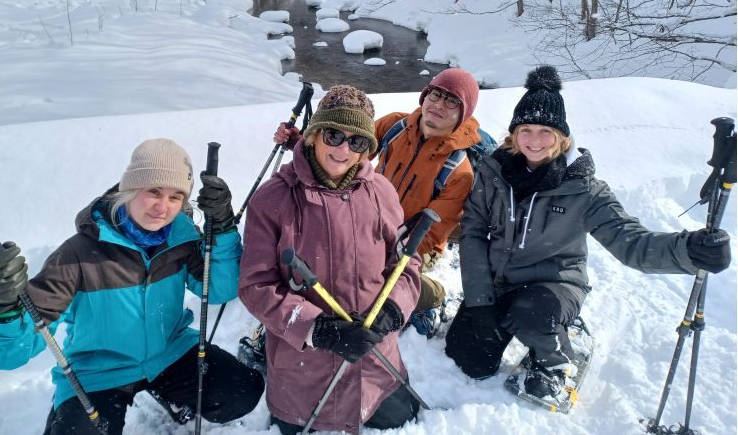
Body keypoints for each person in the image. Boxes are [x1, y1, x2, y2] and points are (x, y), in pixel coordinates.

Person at [445, 66, 732, 399]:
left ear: (562, 137)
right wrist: (480, 301)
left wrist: (689, 250)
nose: (534, 141)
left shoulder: (585, 189)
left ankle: (555, 358)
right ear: (514, 134)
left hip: (552, 285)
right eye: (526, 130)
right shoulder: (493, 172)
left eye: (545, 132)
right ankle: (510, 315)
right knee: (469, 359)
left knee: (532, 316)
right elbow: (474, 233)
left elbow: (633, 244)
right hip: (499, 280)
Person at [0, 138, 264, 434]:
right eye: (154, 192)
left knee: (242, 392)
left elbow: (220, 290)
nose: (163, 208)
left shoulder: (181, 240)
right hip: (98, 371)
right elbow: (8, 354)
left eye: (176, 197)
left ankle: (167, 393)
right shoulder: (78, 254)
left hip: (168, 353)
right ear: (130, 189)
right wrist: (0, 307)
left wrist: (223, 228)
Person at [240, 85, 422, 434]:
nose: (342, 149)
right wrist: (317, 329)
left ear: (366, 149)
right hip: (303, 367)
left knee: (401, 419)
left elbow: (405, 265)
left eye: (356, 142)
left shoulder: (381, 191)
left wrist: (392, 310)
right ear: (312, 137)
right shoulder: (273, 199)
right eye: (334, 134)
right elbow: (255, 285)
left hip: (374, 361)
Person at [274, 68, 482, 337]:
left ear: (463, 113)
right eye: (436, 94)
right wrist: (301, 143)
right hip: (369, 219)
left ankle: (432, 295)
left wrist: (381, 251)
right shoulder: (396, 126)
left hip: (412, 243)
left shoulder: (459, 171)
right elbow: (347, 151)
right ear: (425, 96)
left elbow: (430, 235)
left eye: (452, 102)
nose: (439, 105)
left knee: (370, 284)